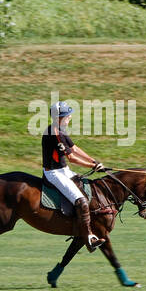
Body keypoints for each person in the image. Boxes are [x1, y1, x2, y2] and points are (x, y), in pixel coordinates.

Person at [42, 101, 104, 249]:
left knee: (86, 189)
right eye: (66, 116)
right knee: (81, 200)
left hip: (63, 170)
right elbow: (72, 158)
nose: (69, 117)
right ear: (58, 118)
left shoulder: (60, 129)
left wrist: (93, 160)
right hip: (54, 173)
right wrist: (93, 166)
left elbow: (74, 148)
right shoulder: (54, 133)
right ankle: (89, 238)